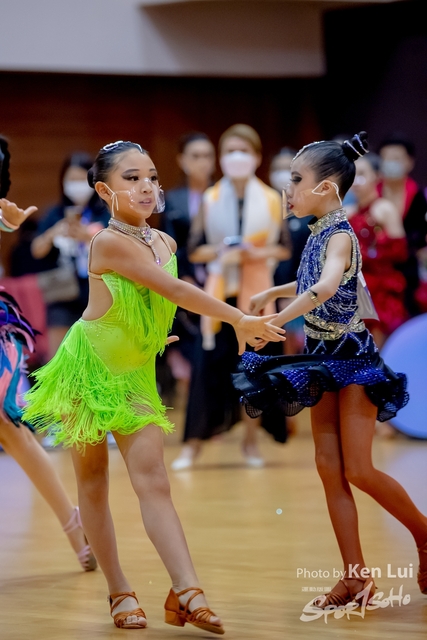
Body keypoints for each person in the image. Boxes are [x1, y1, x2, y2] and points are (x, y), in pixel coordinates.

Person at [22, 141, 285, 631]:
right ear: (104, 191)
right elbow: (176, 290)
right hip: (88, 370)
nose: (146, 186)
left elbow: (153, 299)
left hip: (136, 371)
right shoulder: (106, 242)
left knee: (154, 482)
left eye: (151, 176)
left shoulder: (165, 242)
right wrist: (238, 318)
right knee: (94, 482)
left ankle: (187, 590)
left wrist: (149, 331)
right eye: (131, 178)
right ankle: (119, 590)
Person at [233, 132, 427, 608]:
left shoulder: (340, 235)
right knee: (328, 468)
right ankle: (355, 578)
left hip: (353, 361)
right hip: (322, 359)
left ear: (324, 188)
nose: (288, 189)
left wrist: (277, 318)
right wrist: (272, 293)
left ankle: (425, 535)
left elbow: (323, 287)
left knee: (358, 469)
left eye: (295, 180)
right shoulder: (318, 230)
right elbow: (309, 281)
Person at [0, 135, 97, 573]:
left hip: (84, 298)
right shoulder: (54, 215)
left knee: (10, 429)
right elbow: (35, 245)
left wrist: (7, 224)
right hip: (60, 300)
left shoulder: (97, 213)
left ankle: (73, 523)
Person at [172, 124, 290, 471]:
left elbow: (284, 248)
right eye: (230, 151)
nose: (237, 157)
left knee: (254, 369)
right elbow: (195, 250)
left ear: (256, 156)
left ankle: (250, 443)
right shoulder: (210, 199)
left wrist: (254, 251)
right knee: (206, 368)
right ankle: (192, 447)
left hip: (257, 296)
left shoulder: (272, 198)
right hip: (220, 296)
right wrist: (224, 250)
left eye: (244, 150)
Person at [31, 152, 110, 359]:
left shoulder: (105, 212)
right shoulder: (55, 213)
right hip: (62, 290)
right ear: (63, 181)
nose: (77, 185)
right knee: (59, 355)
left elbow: (117, 247)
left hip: (97, 289)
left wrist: (87, 236)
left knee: (95, 354)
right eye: (72, 179)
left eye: (82, 179)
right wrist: (52, 234)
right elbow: (36, 250)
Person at [162, 132, 216, 386]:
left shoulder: (223, 195)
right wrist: (183, 278)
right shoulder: (173, 200)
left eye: (207, 156)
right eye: (195, 156)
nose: (202, 162)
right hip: (186, 282)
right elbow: (169, 246)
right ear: (182, 160)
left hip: (221, 281)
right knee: (187, 360)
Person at [349, 153, 408, 348]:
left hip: (379, 289)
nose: (356, 181)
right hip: (354, 287)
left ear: (376, 176)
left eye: (362, 174)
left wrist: (368, 255)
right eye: (353, 175)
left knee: (377, 348)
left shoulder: (384, 209)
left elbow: (400, 251)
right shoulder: (349, 212)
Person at [378, 133, 427, 316]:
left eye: (396, 158)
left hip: (409, 275)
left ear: (409, 162)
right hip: (375, 272)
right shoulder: (370, 195)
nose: (390, 163)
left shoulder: (419, 197)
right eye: (386, 158)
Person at [270, 147, 309, 355]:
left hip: (296, 296)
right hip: (266, 291)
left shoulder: (308, 213)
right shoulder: (263, 207)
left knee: (296, 353)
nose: (282, 174)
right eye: (277, 169)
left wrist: (294, 295)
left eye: (288, 169)